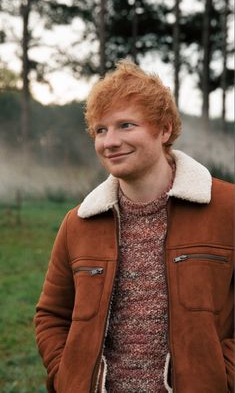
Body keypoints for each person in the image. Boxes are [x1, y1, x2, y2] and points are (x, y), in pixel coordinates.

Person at [35, 60, 234, 393]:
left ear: (164, 130)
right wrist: (65, 375)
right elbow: (51, 316)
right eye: (101, 129)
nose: (109, 141)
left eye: (126, 125)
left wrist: (222, 377)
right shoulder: (78, 223)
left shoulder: (227, 209)